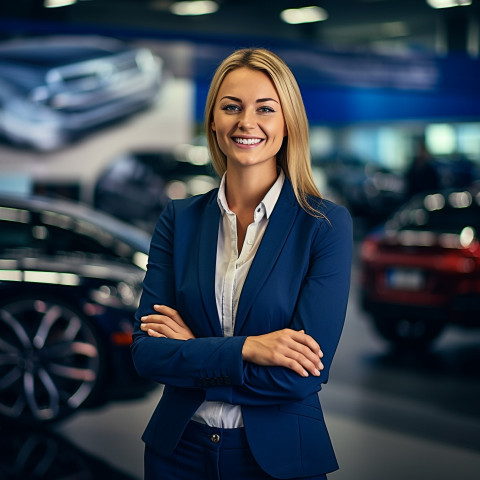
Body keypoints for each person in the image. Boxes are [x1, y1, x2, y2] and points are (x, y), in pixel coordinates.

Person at [131, 48, 353, 480]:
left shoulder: (324, 226)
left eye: (264, 109)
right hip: (177, 454)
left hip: (277, 460)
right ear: (213, 120)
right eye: (231, 107)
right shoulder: (179, 219)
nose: (245, 122)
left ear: (287, 122)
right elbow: (148, 355)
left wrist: (192, 349)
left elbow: (302, 376)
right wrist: (250, 348)